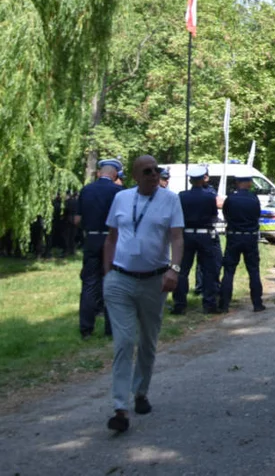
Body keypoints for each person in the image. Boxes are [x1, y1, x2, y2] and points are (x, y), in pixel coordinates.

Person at [101, 155, 185, 433]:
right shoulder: (122, 198)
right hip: (121, 280)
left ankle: (141, 392)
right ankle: (119, 408)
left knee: (148, 340)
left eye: (156, 170)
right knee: (124, 342)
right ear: (136, 175)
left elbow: (176, 237)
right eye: (147, 171)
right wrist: (108, 273)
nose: (153, 175)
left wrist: (174, 269)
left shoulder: (170, 199)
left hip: (154, 281)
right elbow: (111, 237)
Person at [75, 158, 124, 339]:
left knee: (89, 283)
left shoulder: (86, 190)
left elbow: (77, 220)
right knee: (112, 282)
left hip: (92, 239)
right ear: (115, 175)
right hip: (112, 240)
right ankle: (111, 327)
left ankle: (86, 328)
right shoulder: (119, 192)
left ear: (98, 173)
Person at [172, 166, 221, 315]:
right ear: (202, 179)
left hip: (186, 234)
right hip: (205, 235)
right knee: (208, 270)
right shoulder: (209, 196)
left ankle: (179, 304)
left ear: (190, 180)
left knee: (182, 270)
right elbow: (214, 214)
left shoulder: (181, 196)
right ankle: (209, 304)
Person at [218, 168, 264, 313]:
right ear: (249, 183)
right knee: (253, 271)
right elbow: (257, 215)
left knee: (229, 271)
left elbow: (226, 215)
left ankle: (224, 304)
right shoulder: (254, 198)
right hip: (250, 237)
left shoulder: (230, 198)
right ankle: (257, 303)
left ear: (237, 182)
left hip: (234, 236)